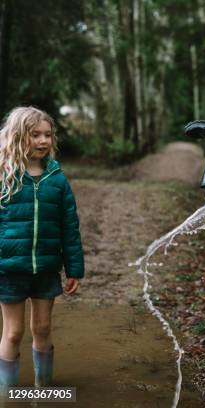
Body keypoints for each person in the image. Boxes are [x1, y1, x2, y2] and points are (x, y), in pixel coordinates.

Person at [0, 107, 84, 393]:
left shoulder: (57, 179)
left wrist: (74, 269)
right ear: (17, 136)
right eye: (35, 134)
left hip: (47, 268)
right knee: (13, 332)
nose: (43, 140)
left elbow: (69, 227)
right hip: (9, 269)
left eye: (47, 135)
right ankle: (8, 393)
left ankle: (42, 389)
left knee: (43, 328)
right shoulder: (4, 177)